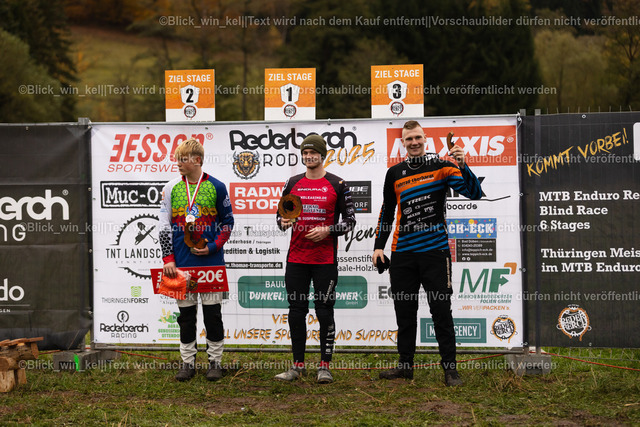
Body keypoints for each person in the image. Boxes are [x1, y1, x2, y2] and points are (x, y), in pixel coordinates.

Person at [372, 120, 482, 386]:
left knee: (441, 311)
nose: (414, 143)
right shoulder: (394, 173)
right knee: (404, 312)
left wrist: (463, 165)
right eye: (409, 139)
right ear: (403, 143)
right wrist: (378, 246)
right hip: (402, 253)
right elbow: (387, 211)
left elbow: (475, 194)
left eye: (418, 137)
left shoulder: (443, 166)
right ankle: (405, 367)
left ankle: (450, 370)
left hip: (435, 252)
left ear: (425, 139)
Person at [275, 134, 356, 384]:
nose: (309, 156)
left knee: (324, 311)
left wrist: (328, 230)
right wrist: (283, 222)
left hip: (324, 261)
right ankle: (297, 366)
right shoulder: (292, 183)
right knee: (296, 312)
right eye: (305, 153)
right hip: (297, 258)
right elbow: (280, 217)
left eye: (313, 153)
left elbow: (350, 222)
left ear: (323, 155)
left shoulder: (338, 184)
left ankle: (325, 366)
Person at [158, 138, 234, 381]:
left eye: (183, 159)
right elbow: (163, 226)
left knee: (213, 315)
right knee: (186, 317)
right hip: (181, 263)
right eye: (177, 159)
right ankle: (187, 363)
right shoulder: (170, 188)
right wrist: (168, 259)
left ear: (197, 160)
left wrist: (212, 247)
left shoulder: (217, 186)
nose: (178, 163)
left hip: (211, 263)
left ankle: (215, 362)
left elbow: (228, 223)